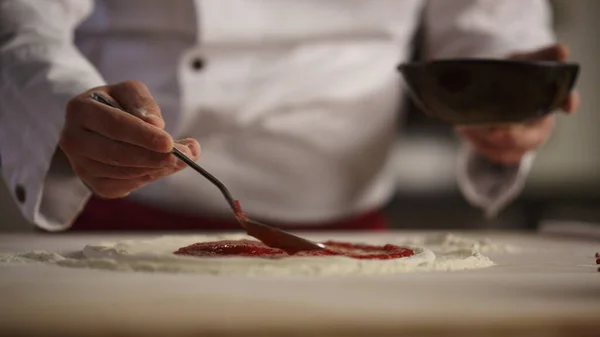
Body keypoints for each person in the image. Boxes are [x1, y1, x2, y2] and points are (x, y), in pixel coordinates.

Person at [0, 0, 578, 232]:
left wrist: (507, 95)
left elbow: (496, 19)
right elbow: (22, 15)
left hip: (344, 222)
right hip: (120, 204)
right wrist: (65, 100)